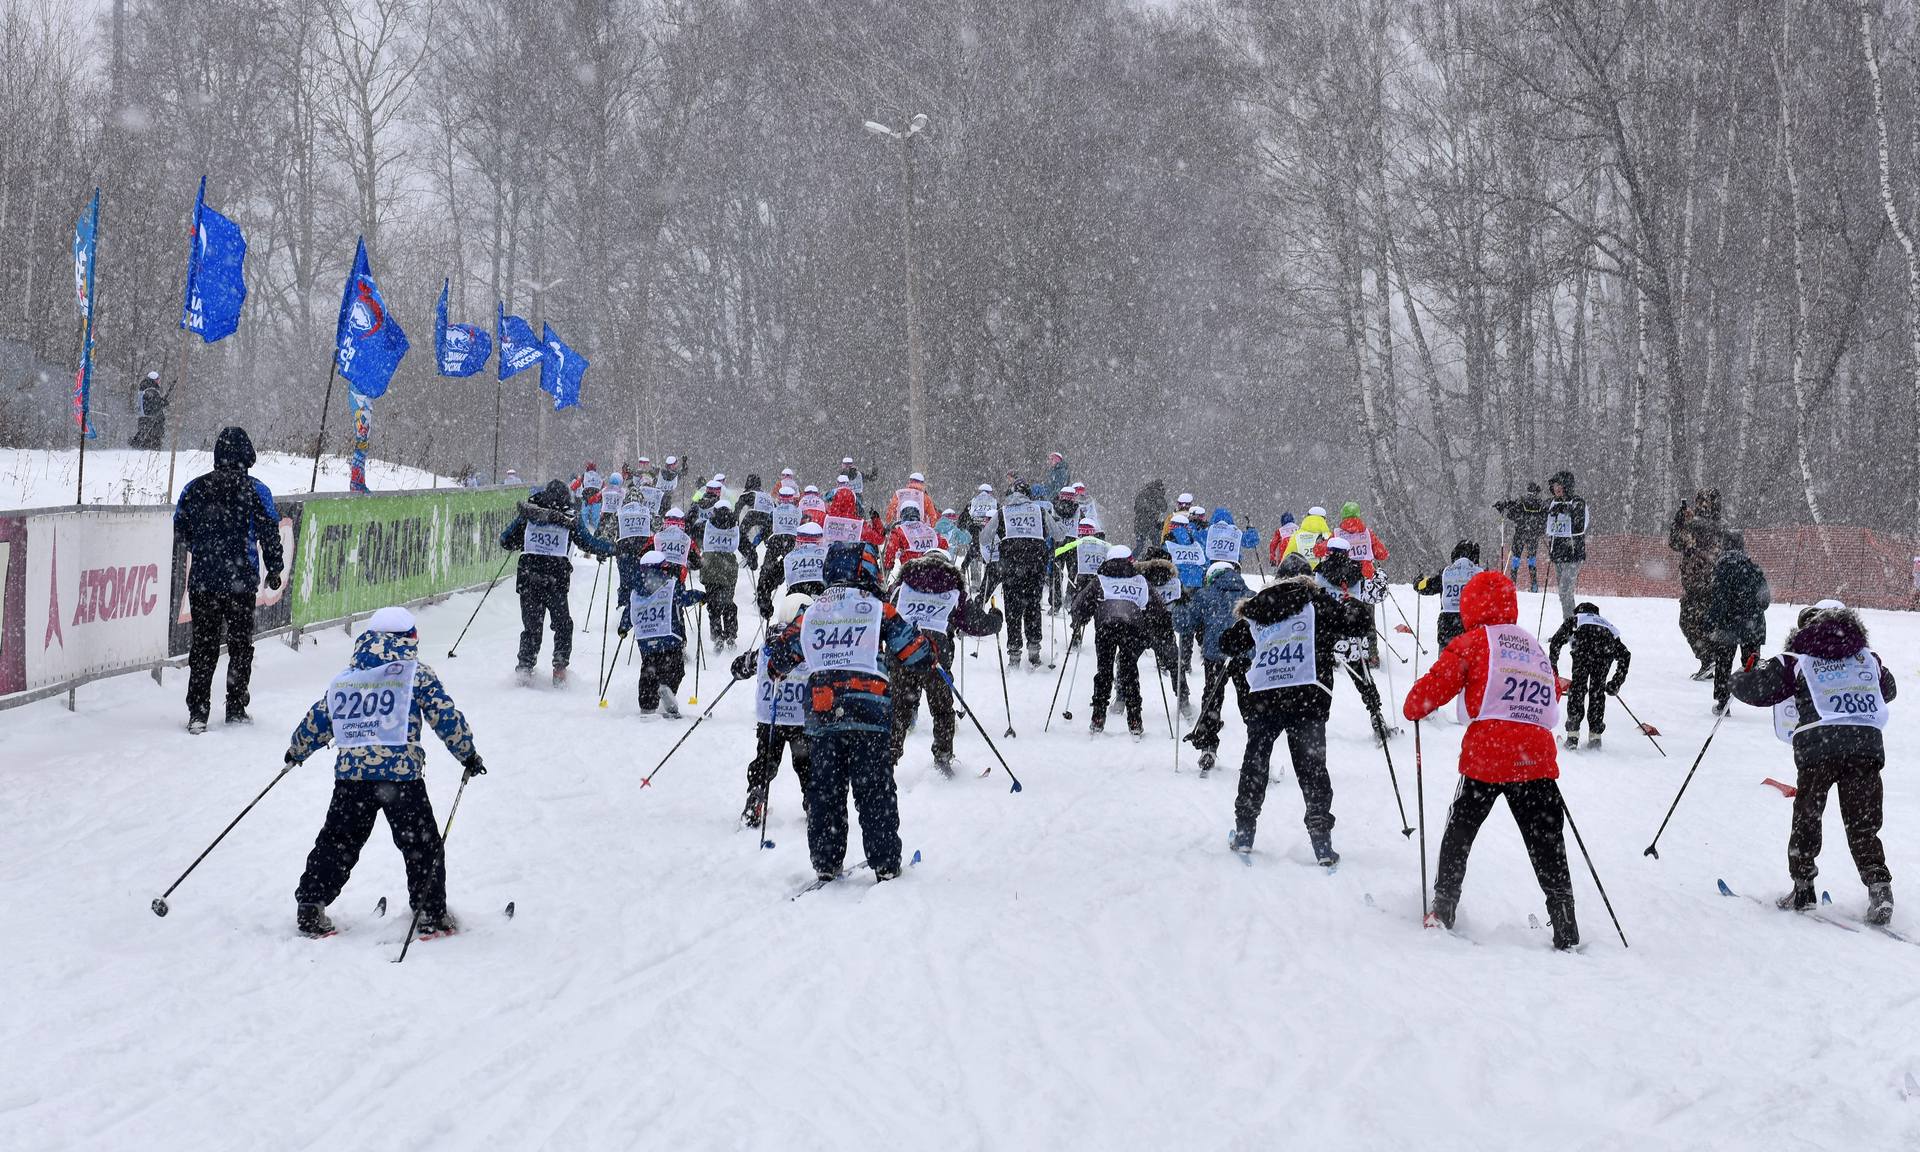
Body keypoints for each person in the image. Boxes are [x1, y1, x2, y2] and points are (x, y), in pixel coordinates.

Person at [284, 606, 483, 939]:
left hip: (352, 779)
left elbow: (321, 718)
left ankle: (311, 906)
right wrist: (468, 753)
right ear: (406, 639)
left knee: (338, 842)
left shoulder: (349, 678)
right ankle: (430, 912)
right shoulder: (414, 674)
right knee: (421, 845)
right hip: (401, 778)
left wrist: (298, 749)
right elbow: (444, 716)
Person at [1402, 571, 1577, 949]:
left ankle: (1444, 905)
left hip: (1489, 754)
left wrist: (1416, 705)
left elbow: (1437, 687)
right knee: (1546, 839)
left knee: (1461, 828)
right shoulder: (1532, 646)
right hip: (1536, 758)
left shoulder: (1473, 642)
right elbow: (1549, 697)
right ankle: (1565, 919)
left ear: (1469, 606)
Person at [750, 541, 933, 884]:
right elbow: (914, 653)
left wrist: (776, 659)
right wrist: (927, 649)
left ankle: (826, 859)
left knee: (825, 790)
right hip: (869, 713)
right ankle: (885, 861)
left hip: (823, 715)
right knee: (874, 789)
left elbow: (781, 656)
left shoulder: (813, 611)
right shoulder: (878, 609)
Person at [1731, 600, 1896, 921]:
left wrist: (1742, 673)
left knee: (1808, 815)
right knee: (1863, 824)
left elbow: (1756, 691)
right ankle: (1879, 887)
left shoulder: (1795, 660)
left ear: (1804, 625)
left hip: (1819, 748)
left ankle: (1803, 887)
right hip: (1865, 745)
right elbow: (1887, 690)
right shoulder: (1868, 658)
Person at [1216, 558, 1370, 862]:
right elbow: (1357, 624)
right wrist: (1352, 604)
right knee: (1312, 767)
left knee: (1255, 761)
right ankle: (1321, 838)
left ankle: (1245, 830)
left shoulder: (1260, 608)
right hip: (1307, 695)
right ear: (1308, 579)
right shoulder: (1318, 604)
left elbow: (1228, 643)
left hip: (1265, 695)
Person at [173, 426, 284, 734]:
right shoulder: (256, 490)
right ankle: (235, 706)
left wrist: (204, 549)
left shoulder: (193, 488)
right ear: (247, 456)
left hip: (204, 581)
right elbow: (270, 533)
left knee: (203, 647)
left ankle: (198, 711)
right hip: (242, 581)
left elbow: (181, 529)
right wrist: (274, 569)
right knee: (240, 646)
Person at [886, 547, 1001, 776]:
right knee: (942, 710)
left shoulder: (901, 587)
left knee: (899, 709)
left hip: (902, 650)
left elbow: (884, 613)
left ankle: (888, 756)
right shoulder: (953, 589)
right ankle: (943, 757)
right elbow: (975, 624)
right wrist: (996, 619)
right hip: (934, 653)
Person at [499, 479, 613, 684]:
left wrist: (520, 540)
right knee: (562, 625)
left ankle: (525, 668)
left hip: (529, 578)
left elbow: (506, 540)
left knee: (532, 626)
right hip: (555, 581)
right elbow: (589, 543)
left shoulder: (528, 515)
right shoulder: (569, 519)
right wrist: (612, 548)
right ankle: (560, 668)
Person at [734, 590, 815, 828]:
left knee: (765, 760)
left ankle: (757, 793)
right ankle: (813, 801)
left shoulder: (767, 643)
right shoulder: (809, 641)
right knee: (807, 764)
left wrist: (742, 666)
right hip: (801, 717)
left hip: (771, 716)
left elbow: (742, 666)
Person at [1067, 544, 1166, 737]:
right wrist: (1155, 626)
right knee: (1129, 672)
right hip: (1133, 629)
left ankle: (1098, 716)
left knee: (1104, 671)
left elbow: (1079, 605)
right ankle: (1135, 719)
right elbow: (1158, 608)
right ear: (1130, 561)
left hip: (1106, 628)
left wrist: (1082, 617)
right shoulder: (1141, 581)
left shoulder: (1100, 581)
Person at [618, 550, 705, 717]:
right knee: (675, 668)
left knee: (649, 671)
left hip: (646, 641)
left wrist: (623, 627)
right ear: (662, 569)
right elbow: (684, 597)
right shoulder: (670, 586)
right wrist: (700, 596)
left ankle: (647, 704)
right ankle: (667, 688)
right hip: (669, 638)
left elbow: (630, 612)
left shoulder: (635, 592)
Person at [1187, 558, 1254, 774]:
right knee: (1249, 701)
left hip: (1216, 655)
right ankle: (1258, 749)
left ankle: (1208, 746)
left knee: (1213, 698)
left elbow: (1186, 624)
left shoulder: (1205, 595)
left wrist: (1181, 607)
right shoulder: (1251, 595)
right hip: (1245, 655)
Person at [985, 483, 1054, 668]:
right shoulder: (1040, 511)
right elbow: (1059, 534)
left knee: (1013, 608)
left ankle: (1014, 652)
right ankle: (1034, 650)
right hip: (1035, 566)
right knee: (1032, 605)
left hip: (1011, 566)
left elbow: (984, 537)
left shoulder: (1002, 512)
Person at [1548, 602, 1631, 750]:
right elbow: (1625, 655)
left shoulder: (1577, 619)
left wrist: (1553, 667)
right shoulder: (1607, 625)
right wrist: (1616, 682)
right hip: (1604, 654)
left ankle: (1573, 736)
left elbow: (1556, 642)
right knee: (1597, 692)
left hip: (1583, 652)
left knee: (1578, 690)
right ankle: (1595, 737)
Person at [1706, 530, 1769, 715]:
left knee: (1724, 663)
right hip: (1753, 626)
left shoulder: (1723, 568)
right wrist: (1752, 613)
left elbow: (1719, 599)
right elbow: (1765, 600)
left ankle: (1723, 701)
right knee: (1750, 662)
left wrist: (1711, 621)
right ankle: (1757, 695)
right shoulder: (1754, 568)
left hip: (1729, 626)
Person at [1668, 489, 1726, 680]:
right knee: (1712, 624)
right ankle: (1716, 662)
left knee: (1689, 621)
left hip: (1699, 585)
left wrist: (1680, 522)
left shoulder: (1695, 527)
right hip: (1719, 585)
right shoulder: (1723, 526)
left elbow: (1675, 542)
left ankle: (1709, 659)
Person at [1413, 540, 1484, 650]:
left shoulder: (1446, 574)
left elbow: (1424, 587)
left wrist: (1418, 581)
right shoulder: (1481, 575)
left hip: (1447, 628)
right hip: (1472, 629)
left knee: (1446, 665)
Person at [698, 496, 744, 650]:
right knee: (728, 602)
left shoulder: (707, 524)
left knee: (713, 604)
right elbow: (743, 545)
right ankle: (730, 635)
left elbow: (694, 535)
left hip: (710, 566)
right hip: (728, 568)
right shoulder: (735, 526)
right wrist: (752, 556)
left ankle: (717, 635)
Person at [1544, 471, 1588, 617]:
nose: (1557, 488)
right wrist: (1512, 507)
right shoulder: (1552, 503)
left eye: (1560, 485)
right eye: (1555, 485)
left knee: (1565, 591)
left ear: (1567, 486)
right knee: (1564, 594)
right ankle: (1570, 625)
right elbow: (1537, 510)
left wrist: (1564, 509)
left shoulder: (1577, 502)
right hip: (1558, 555)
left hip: (1573, 554)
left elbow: (1578, 518)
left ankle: (1571, 629)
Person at [1494, 483, 1548, 592]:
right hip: (1533, 534)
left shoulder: (1522, 501)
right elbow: (1544, 518)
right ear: (1537, 492)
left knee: (1516, 557)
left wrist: (1503, 507)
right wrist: (1540, 529)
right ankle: (1534, 585)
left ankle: (1512, 583)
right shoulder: (1541, 504)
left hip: (1520, 532)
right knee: (1531, 558)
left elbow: (1512, 512)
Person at [130, 370, 169, 450]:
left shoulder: (143, 390)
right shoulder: (151, 391)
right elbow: (154, 407)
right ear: (153, 380)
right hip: (152, 423)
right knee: (152, 447)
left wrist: (161, 402)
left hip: (143, 421)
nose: (159, 381)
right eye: (157, 379)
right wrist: (163, 403)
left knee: (144, 442)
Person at [1132, 478, 1167, 553]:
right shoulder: (1157, 493)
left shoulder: (1142, 493)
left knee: (1140, 546)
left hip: (1139, 523)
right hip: (1152, 523)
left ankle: (1132, 560)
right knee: (1157, 545)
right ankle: (1157, 559)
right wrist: (1161, 495)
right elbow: (1164, 507)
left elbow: (1136, 508)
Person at [571, 461, 605, 534]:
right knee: (595, 518)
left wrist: (574, 488)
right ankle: (598, 533)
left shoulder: (584, 476)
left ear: (587, 468)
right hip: (597, 499)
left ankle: (584, 532)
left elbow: (574, 486)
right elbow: (604, 488)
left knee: (584, 516)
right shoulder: (599, 476)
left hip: (586, 499)